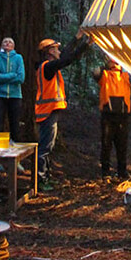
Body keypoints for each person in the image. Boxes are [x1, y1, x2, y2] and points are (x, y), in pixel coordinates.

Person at [35, 33, 90, 190]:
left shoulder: (47, 66)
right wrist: (85, 45)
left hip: (49, 111)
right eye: (56, 49)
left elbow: (65, 55)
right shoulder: (48, 67)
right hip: (47, 111)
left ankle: (46, 177)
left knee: (49, 146)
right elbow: (67, 59)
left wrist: (77, 39)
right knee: (45, 147)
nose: (59, 51)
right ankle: (41, 180)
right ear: (50, 51)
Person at [92, 56, 131, 180]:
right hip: (108, 116)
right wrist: (107, 64)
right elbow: (95, 72)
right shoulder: (104, 75)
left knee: (121, 145)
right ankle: (106, 171)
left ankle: (122, 171)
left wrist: (125, 62)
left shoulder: (126, 75)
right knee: (107, 144)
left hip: (122, 116)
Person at [0, 37, 25, 143]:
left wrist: (4, 78)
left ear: (13, 46)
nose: (7, 43)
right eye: (5, 41)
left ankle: (15, 144)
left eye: (10, 42)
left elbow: (21, 77)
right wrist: (12, 75)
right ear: (1, 45)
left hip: (15, 95)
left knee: (15, 123)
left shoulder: (18, 58)